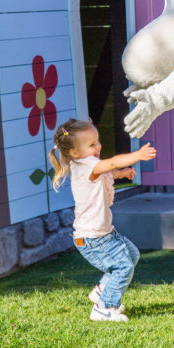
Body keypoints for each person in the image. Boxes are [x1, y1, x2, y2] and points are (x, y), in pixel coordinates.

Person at [48, 118, 157, 322]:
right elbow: (111, 162)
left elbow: (106, 171)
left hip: (103, 233)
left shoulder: (86, 164)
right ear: (74, 152)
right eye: (91, 145)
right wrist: (138, 156)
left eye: (97, 141)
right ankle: (103, 308)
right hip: (93, 238)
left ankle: (102, 290)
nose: (98, 146)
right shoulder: (86, 164)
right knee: (123, 267)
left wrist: (120, 174)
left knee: (131, 255)